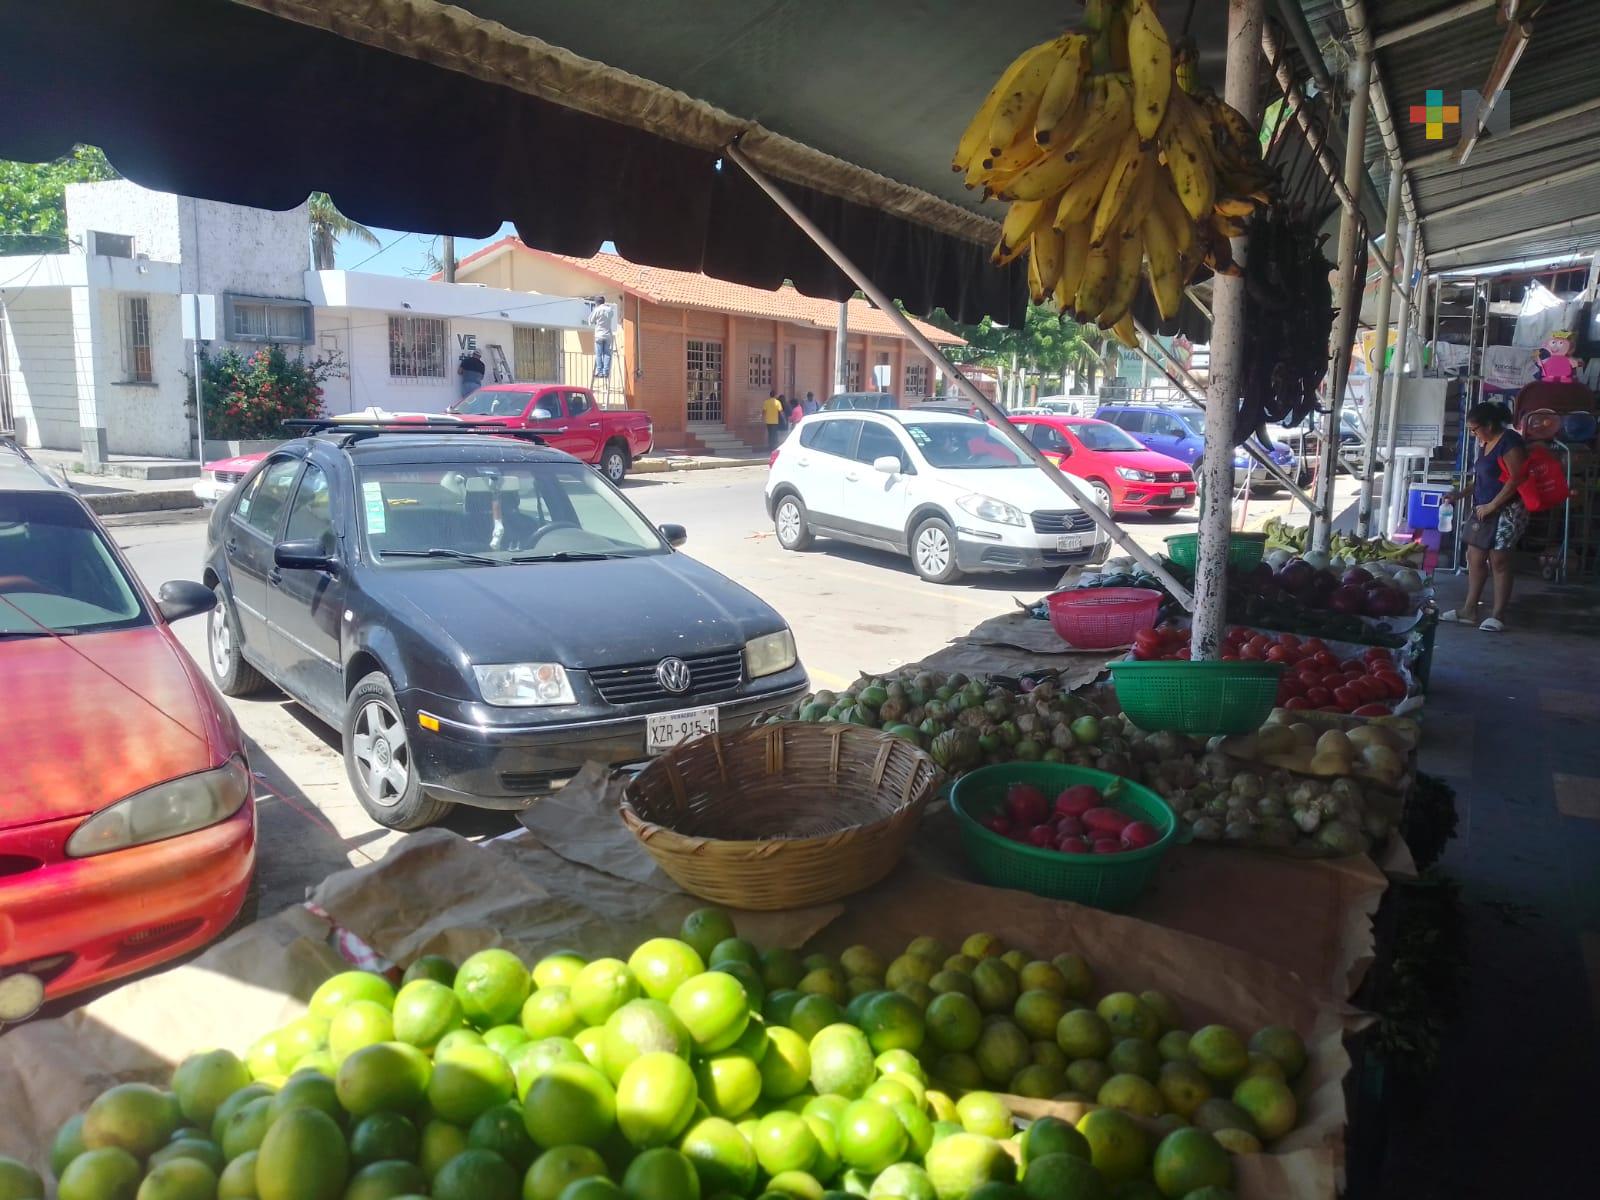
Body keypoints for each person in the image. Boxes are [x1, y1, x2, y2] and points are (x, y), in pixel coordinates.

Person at [1442, 400, 1528, 632]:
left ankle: (1498, 615)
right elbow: (1480, 478)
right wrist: (1460, 494)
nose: (1473, 434)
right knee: (1475, 558)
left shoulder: (1510, 442)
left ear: (1489, 424)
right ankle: (1469, 610)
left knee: (1499, 561)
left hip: (1507, 510)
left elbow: (1517, 478)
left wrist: (1493, 505)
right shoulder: (1485, 443)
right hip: (1483, 509)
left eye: (1474, 429)